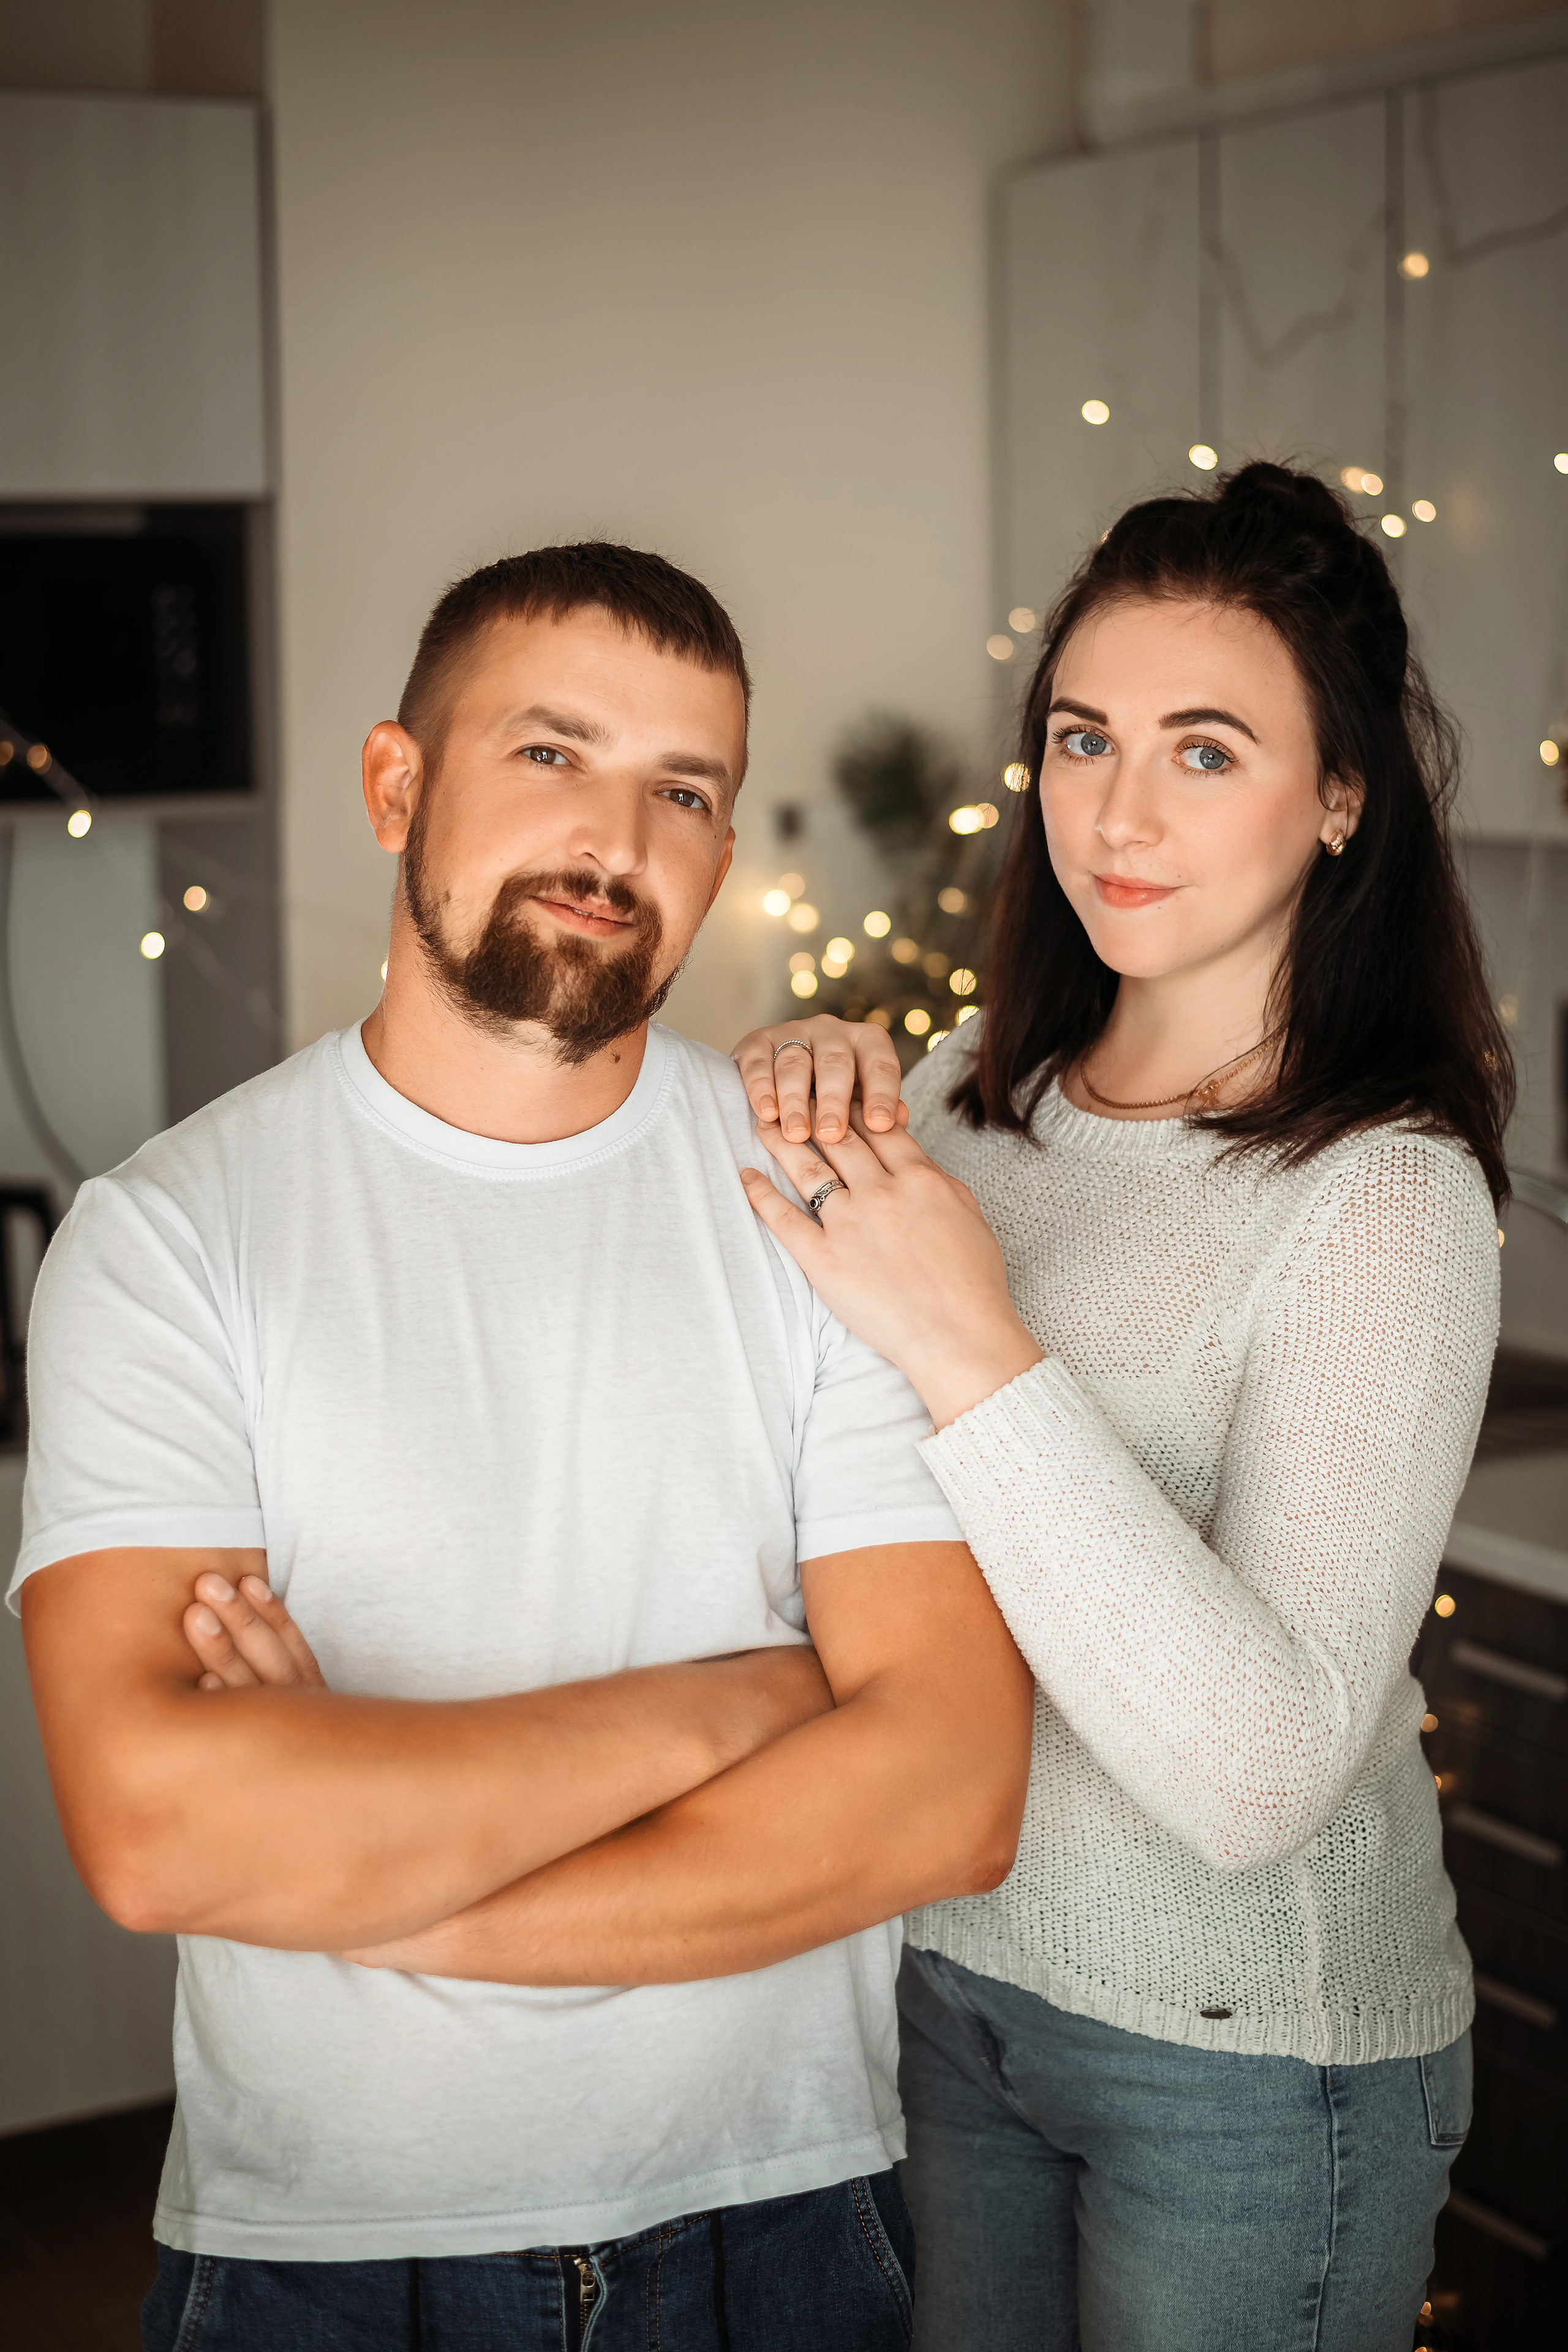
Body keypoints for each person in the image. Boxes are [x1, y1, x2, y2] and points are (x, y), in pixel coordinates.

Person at [15, 543, 1033, 2351]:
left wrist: (371, 1874)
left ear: (723, 849)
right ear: (398, 782)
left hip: (780, 2223)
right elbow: (163, 1833)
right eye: (551, 754)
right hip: (319, 2257)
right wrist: (753, 1696)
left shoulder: (830, 1198)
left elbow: (949, 1796)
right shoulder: (170, 1237)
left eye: (682, 790)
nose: (613, 837)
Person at [729, 464, 1509, 2352]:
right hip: (946, 1988)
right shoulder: (963, 1103)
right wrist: (814, 1079)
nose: (1120, 810)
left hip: (1250, 2072)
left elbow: (1261, 1777)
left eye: (1208, 750)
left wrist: (977, 1342)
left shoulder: (1384, 1195)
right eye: (1084, 738)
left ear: (1341, 798)